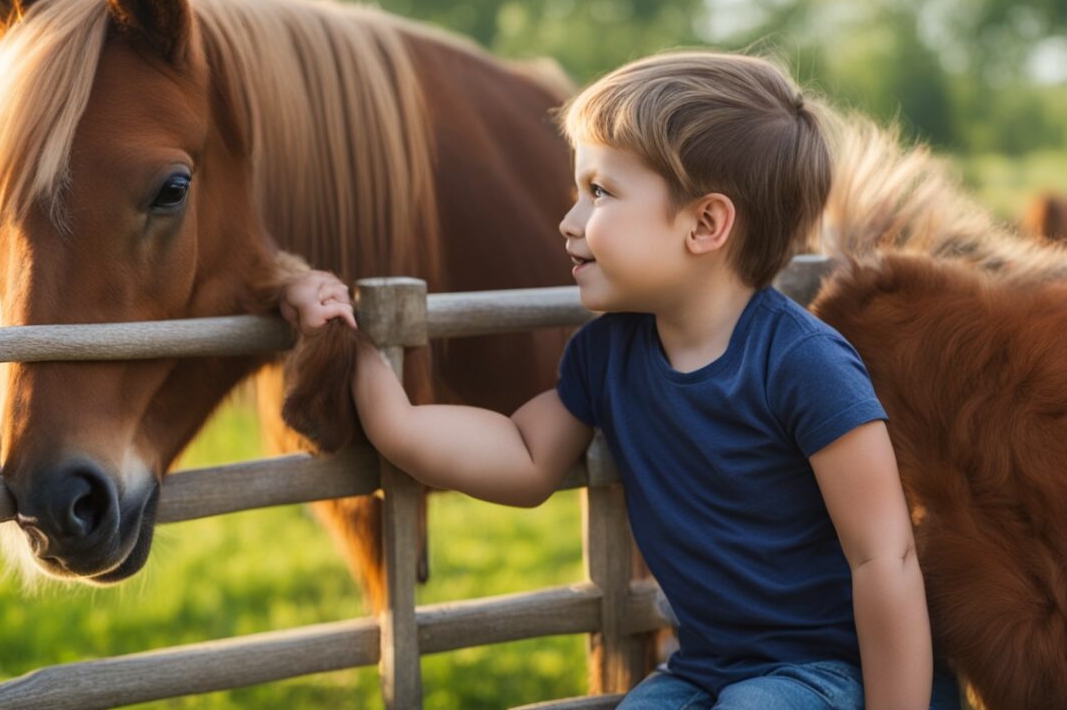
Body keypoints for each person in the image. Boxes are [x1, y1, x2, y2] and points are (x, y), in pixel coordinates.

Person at [280, 51, 957, 709]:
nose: (568, 222)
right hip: (704, 670)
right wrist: (360, 355)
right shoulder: (608, 354)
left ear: (706, 224)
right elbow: (522, 456)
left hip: (827, 673)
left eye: (598, 192)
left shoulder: (805, 364)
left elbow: (884, 560)